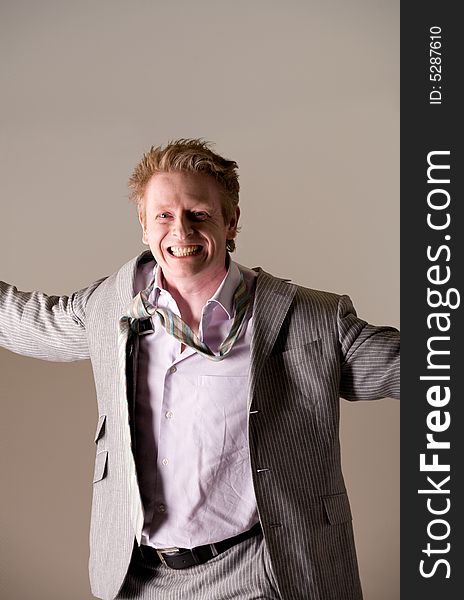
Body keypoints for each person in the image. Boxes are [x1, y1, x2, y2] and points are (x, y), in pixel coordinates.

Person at [0, 139, 400, 600]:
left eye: (199, 214)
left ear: (230, 222)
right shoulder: (110, 307)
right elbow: (25, 320)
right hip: (142, 578)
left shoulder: (305, 319)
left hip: (261, 572)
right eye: (164, 216)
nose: (180, 230)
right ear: (144, 226)